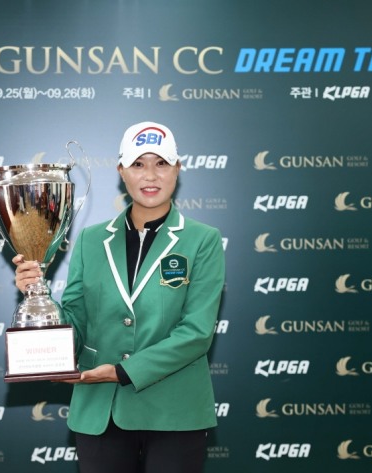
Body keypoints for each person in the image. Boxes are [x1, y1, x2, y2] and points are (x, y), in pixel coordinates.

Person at [13, 121, 225, 473]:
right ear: (121, 171)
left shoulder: (203, 240)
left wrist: (122, 372)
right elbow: (76, 323)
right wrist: (39, 299)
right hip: (100, 411)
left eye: (161, 163)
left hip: (175, 411)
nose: (150, 175)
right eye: (138, 164)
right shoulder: (91, 239)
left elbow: (197, 332)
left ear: (178, 168)